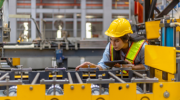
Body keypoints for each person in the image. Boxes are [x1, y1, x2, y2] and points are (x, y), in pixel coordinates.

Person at [76, 18, 148, 71]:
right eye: (111, 39)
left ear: (126, 39)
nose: (113, 44)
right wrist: (92, 66)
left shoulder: (142, 48)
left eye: (116, 40)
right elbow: (103, 66)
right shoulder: (110, 46)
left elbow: (148, 66)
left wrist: (133, 67)